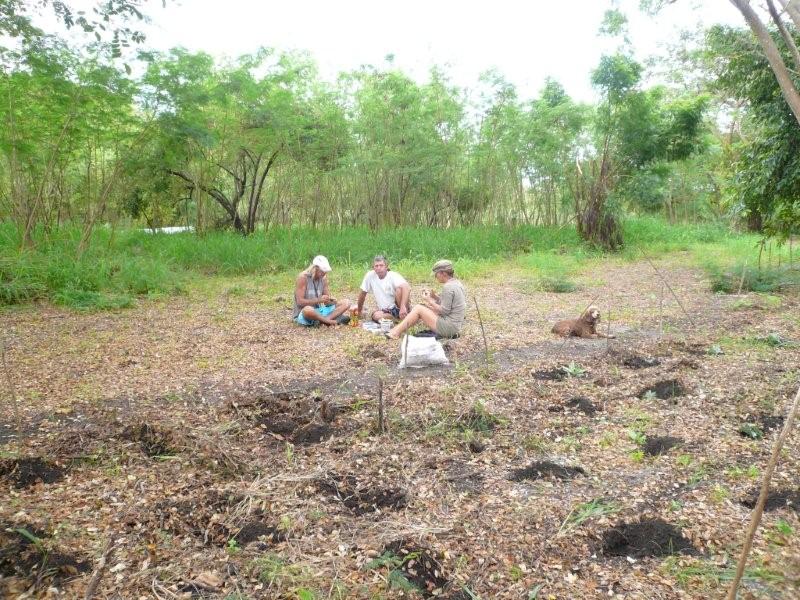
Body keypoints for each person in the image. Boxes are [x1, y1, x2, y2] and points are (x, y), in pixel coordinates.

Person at [385, 259, 465, 340]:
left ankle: (395, 332)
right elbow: (449, 304)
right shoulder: (456, 283)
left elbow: (444, 311)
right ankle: (396, 330)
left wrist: (429, 300)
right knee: (422, 307)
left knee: (419, 309)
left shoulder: (448, 287)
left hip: (449, 328)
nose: (435, 277)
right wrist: (435, 297)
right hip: (455, 326)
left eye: (436, 274)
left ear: (443, 273)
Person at [293, 255, 351, 326]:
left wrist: (331, 300)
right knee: (308, 310)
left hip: (320, 311)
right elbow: (300, 302)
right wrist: (319, 300)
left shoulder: (323, 278)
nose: (324, 274)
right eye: (322, 271)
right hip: (304, 313)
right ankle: (332, 321)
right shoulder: (303, 278)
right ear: (315, 268)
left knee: (346, 302)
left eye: (325, 272)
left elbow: (326, 302)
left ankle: (324, 321)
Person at [356, 255, 411, 322]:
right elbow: (362, 293)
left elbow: (407, 287)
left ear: (386, 266)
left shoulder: (393, 275)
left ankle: (405, 313)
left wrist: (402, 307)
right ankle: (399, 318)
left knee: (399, 290)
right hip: (387, 310)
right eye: (376, 266)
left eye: (381, 265)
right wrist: (359, 311)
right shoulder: (370, 276)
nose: (379, 268)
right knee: (376, 316)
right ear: (373, 268)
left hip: (399, 305)